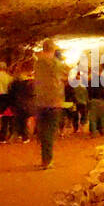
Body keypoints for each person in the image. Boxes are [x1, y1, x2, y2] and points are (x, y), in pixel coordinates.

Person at [32, 40, 67, 168]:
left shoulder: (37, 63)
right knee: (50, 132)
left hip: (40, 102)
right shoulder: (58, 64)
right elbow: (66, 76)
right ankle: (47, 160)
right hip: (54, 102)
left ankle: (44, 158)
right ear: (53, 50)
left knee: (42, 131)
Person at [9, 66, 34, 143]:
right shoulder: (27, 84)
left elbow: (11, 94)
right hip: (25, 103)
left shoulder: (13, 84)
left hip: (17, 103)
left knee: (18, 120)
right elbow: (30, 94)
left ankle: (17, 135)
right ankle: (24, 136)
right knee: (23, 120)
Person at [86, 71, 104, 137]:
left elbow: (87, 90)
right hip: (102, 101)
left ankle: (93, 133)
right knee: (102, 117)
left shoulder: (91, 81)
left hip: (93, 100)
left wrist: (89, 99)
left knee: (93, 118)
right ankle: (103, 132)